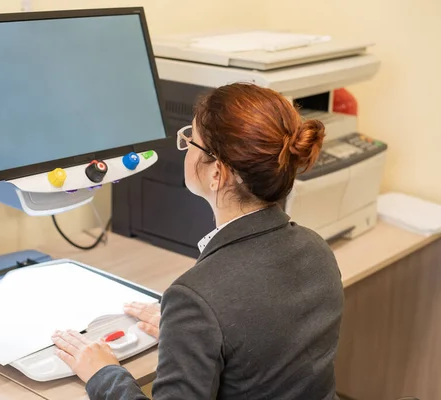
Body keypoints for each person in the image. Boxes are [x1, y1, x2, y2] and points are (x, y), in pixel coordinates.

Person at [51, 82, 344, 399]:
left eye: (192, 139)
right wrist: (193, 334)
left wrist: (103, 373)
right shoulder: (317, 249)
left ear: (217, 173)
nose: (186, 145)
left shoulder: (196, 296)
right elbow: (259, 342)